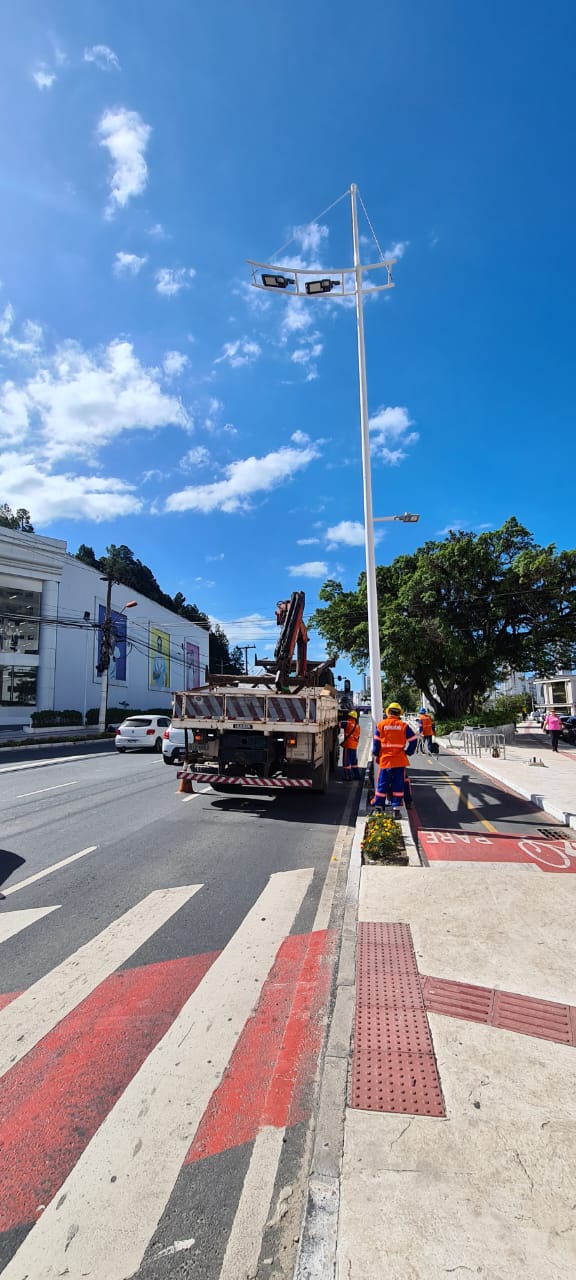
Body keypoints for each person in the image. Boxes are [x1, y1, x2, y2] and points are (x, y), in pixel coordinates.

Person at [372, 701, 418, 815]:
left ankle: (378, 807)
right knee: (398, 784)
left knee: (382, 783)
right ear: (399, 714)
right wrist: (409, 752)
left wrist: (376, 754)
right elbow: (413, 740)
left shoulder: (381, 725)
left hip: (386, 760)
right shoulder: (403, 726)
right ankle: (396, 810)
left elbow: (376, 742)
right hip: (399, 761)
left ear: (388, 712)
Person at [342, 709, 362, 781]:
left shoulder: (347, 723)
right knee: (354, 762)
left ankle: (348, 777)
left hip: (348, 745)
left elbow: (339, 724)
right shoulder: (358, 726)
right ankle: (357, 775)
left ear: (350, 717)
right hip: (354, 746)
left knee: (346, 762)